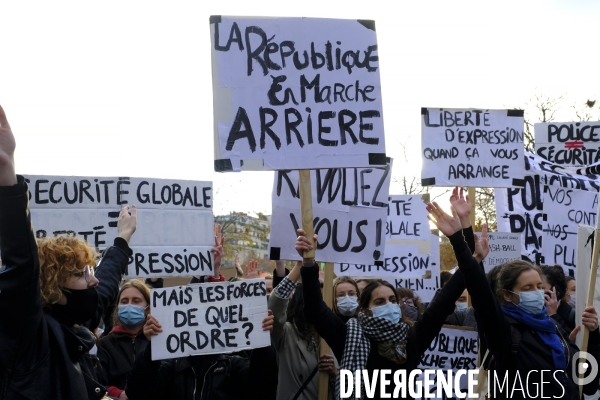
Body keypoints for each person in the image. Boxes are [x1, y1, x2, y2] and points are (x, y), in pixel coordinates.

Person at [0, 105, 138, 399]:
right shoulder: (30, 334)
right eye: (79, 274)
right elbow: (22, 264)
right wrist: (7, 176)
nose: (93, 281)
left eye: (89, 271)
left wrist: (123, 239)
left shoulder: (74, 326)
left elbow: (105, 283)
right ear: (50, 287)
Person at [427, 199, 600, 399]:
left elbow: (589, 384)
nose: (537, 292)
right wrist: (462, 238)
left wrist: (593, 336)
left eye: (539, 286)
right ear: (507, 295)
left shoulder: (556, 331)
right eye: (527, 288)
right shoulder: (506, 332)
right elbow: (481, 292)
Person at [269, 260, 337, 400]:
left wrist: (336, 374)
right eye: (317, 285)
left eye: (323, 285)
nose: (320, 291)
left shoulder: (338, 334)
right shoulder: (286, 333)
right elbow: (275, 305)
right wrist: (300, 267)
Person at [97, 280, 152, 400]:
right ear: (118, 308)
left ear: (148, 309)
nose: (129, 305)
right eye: (124, 301)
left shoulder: (157, 342)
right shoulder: (105, 343)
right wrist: (117, 393)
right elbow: (96, 382)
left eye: (136, 301)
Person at [541, 265, 576, 332]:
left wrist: (553, 317)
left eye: (541, 288)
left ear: (556, 291)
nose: (536, 291)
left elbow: (569, 341)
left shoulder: (573, 317)